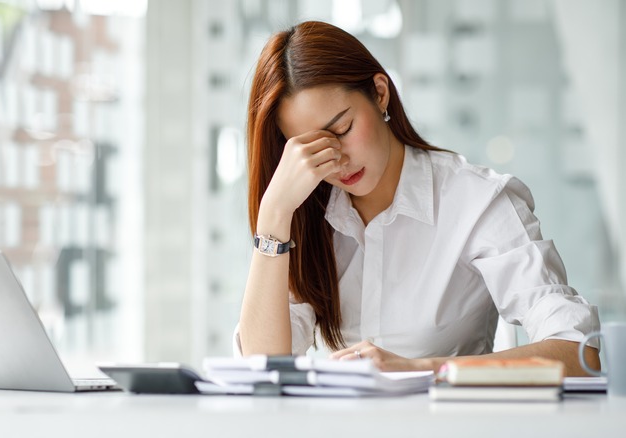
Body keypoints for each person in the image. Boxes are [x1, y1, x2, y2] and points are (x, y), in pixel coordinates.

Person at [235, 20, 600, 376]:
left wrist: (421, 369)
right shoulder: (306, 216)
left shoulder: (475, 200)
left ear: (380, 93)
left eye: (342, 130)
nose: (337, 160)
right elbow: (261, 368)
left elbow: (577, 352)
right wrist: (274, 214)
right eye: (312, 151)